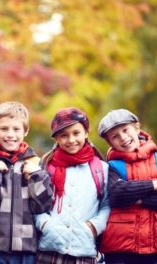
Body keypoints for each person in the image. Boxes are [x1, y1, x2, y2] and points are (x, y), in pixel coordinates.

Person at [97, 109, 157, 264]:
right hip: (120, 253)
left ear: (137, 128)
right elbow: (117, 195)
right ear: (109, 143)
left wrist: (137, 199)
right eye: (115, 136)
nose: (123, 138)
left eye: (125, 130)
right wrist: (153, 184)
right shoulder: (112, 167)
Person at [0, 102, 53, 264]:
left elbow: (42, 206)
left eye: (16, 129)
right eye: (4, 129)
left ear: (25, 131)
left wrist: (36, 176)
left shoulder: (35, 163)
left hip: (26, 247)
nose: (10, 134)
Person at [35, 107, 111, 264]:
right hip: (49, 249)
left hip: (84, 249)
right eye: (63, 135)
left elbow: (107, 204)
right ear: (56, 138)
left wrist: (94, 227)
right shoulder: (45, 165)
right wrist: (45, 224)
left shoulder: (100, 168)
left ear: (86, 133)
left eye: (76, 133)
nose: (71, 140)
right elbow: (34, 202)